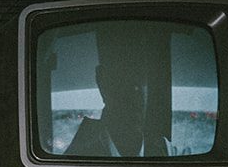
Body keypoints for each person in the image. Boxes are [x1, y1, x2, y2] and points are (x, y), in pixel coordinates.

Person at [64, 28, 177, 158]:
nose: (136, 88)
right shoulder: (79, 153)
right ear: (101, 80)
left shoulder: (166, 150)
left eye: (142, 75)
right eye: (123, 74)